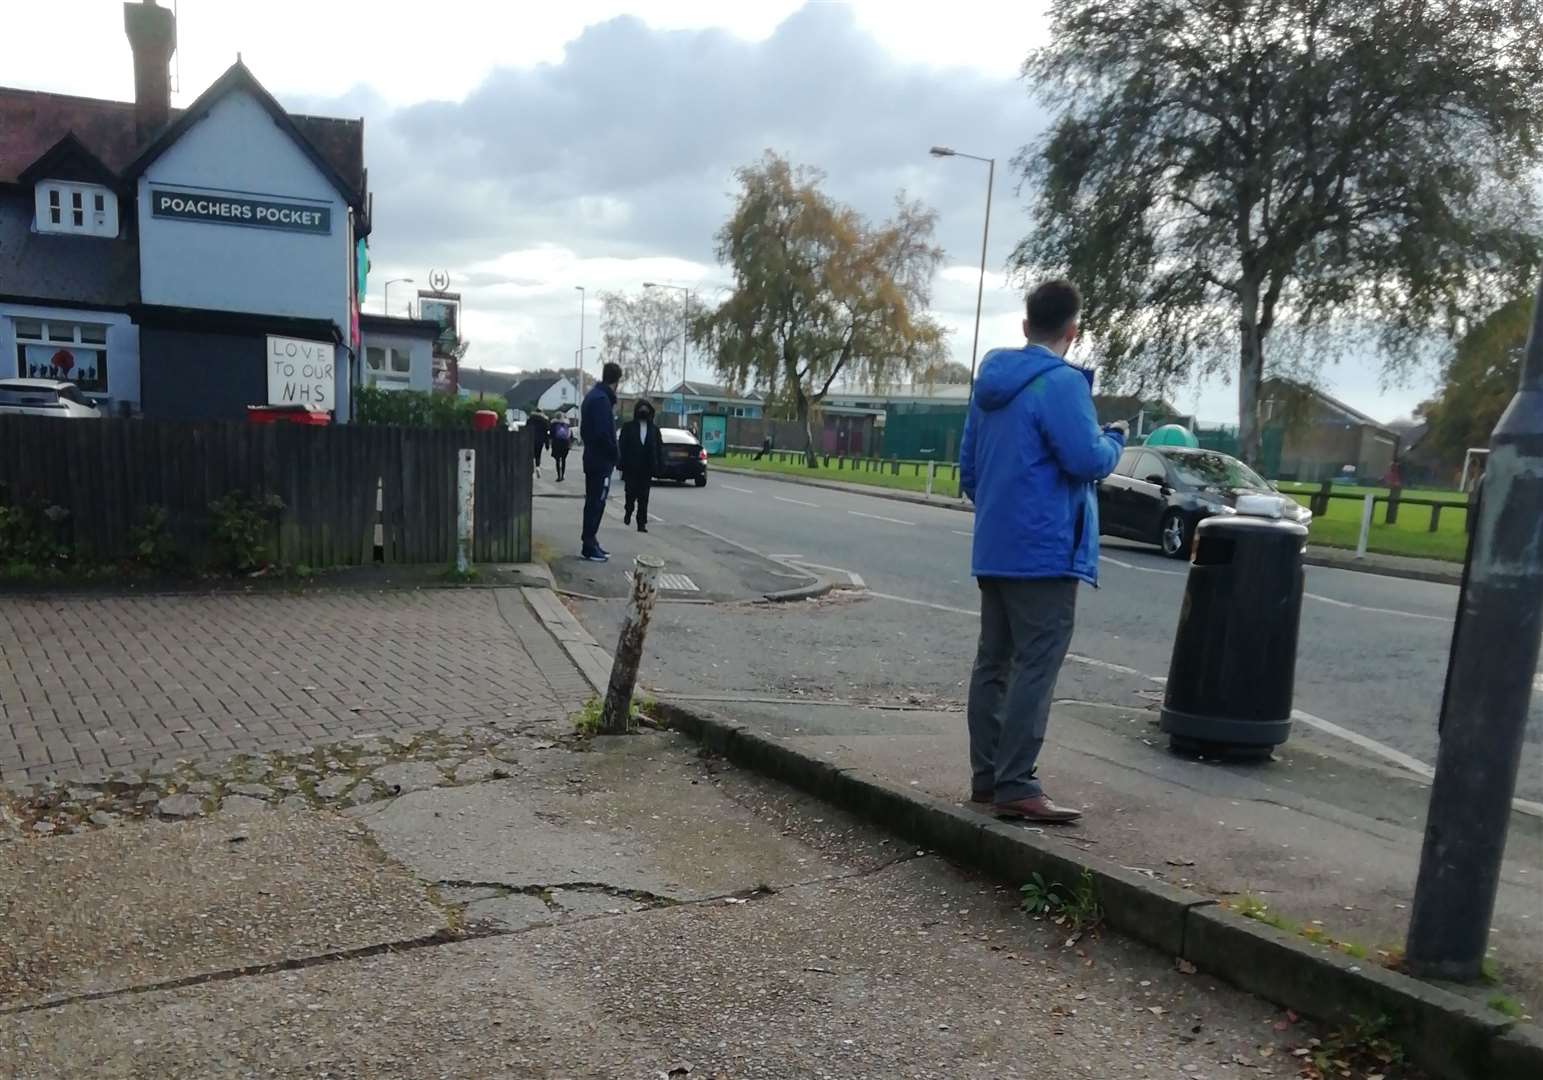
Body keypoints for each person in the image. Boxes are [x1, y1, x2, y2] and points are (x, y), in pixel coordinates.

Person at [959, 280, 1126, 824]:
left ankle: (987, 777)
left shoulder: (988, 389)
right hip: (1047, 551)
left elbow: (970, 472)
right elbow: (1086, 459)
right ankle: (1017, 784)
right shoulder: (1062, 385)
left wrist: (1002, 510)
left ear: (1027, 326)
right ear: (1072, 332)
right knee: (1037, 664)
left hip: (995, 548)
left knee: (994, 664)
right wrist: (1116, 441)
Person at [579, 361, 623, 561]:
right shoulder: (601, 400)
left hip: (593, 457)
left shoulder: (594, 396)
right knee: (596, 502)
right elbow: (602, 433)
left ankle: (591, 540)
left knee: (594, 501)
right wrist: (614, 452)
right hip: (600, 460)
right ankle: (589, 544)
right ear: (617, 381)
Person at [618, 399, 664, 533]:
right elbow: (622, 446)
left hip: (646, 468)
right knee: (630, 494)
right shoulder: (628, 427)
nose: (643, 411)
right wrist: (621, 463)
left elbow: (659, 448)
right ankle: (628, 511)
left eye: (646, 409)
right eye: (641, 409)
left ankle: (641, 523)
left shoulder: (654, 430)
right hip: (631, 467)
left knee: (644, 497)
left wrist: (659, 465)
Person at [527, 409, 551, 479]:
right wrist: (547, 444)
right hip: (540, 441)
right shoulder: (544, 420)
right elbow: (547, 433)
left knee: (531, 456)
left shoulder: (530, 419)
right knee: (538, 455)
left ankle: (532, 471)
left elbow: (526, 429)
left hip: (531, 440)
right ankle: (537, 467)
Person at [549, 414, 572, 482]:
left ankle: (559, 475)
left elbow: (551, 435)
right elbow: (570, 435)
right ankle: (563, 476)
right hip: (565, 443)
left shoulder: (554, 424)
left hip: (557, 443)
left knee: (557, 460)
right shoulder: (566, 424)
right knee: (564, 460)